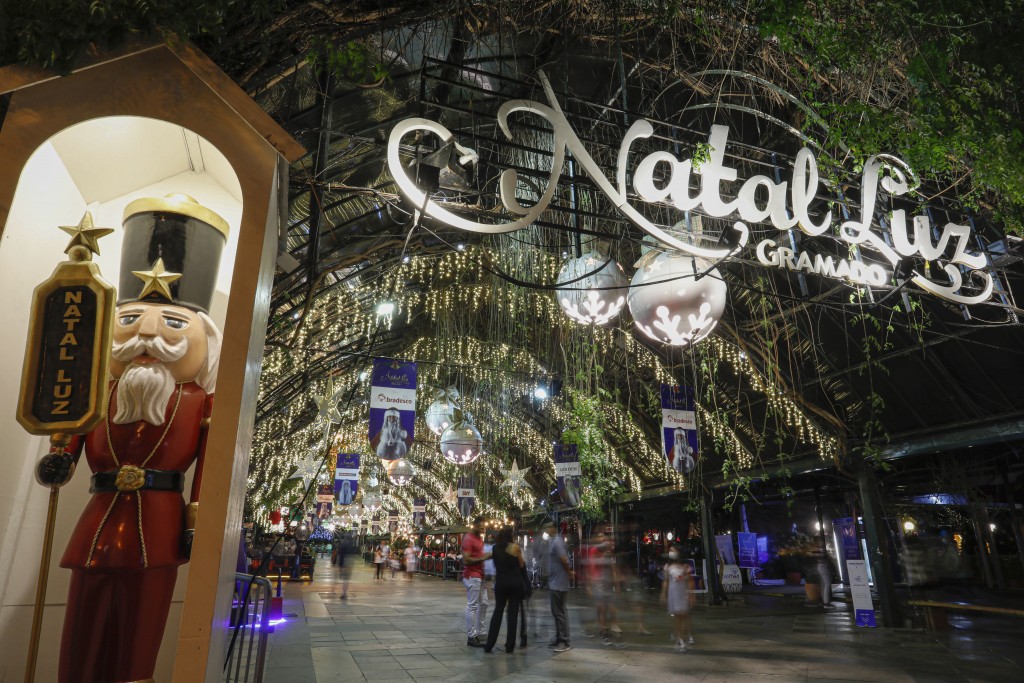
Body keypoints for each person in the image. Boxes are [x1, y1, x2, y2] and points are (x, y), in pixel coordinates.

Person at [32, 194, 226, 683]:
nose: (148, 335)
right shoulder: (96, 391)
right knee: (83, 619)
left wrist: (194, 520)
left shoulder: (202, 402)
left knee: (143, 624)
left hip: (159, 520)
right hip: (99, 516)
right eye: (130, 320)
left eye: (175, 324)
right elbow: (70, 432)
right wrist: (60, 455)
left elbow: (206, 468)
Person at [483, 527, 526, 654]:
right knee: (512, 614)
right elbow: (521, 565)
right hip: (514, 583)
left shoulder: (495, 548)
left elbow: (489, 557)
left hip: (501, 584)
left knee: (498, 612)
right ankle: (509, 646)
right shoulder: (515, 548)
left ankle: (489, 644)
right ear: (511, 536)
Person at [541, 519, 574, 652]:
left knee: (560, 612)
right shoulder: (553, 541)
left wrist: (569, 572)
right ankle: (559, 637)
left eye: (548, 527)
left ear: (554, 528)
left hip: (559, 582)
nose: (546, 530)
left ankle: (564, 641)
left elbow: (564, 559)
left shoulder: (558, 541)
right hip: (555, 581)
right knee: (556, 612)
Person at [461, 516, 492, 647]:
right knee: (472, 605)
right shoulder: (468, 539)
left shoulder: (479, 538)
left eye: (484, 527)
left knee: (484, 603)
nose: (483, 529)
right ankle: (471, 636)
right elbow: (466, 560)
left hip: (480, 576)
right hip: (472, 575)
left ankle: (481, 633)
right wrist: (484, 558)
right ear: (474, 526)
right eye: (481, 527)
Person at [661, 546, 696, 652]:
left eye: (673, 550)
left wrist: (691, 595)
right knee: (677, 617)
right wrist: (663, 593)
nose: (671, 552)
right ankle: (680, 639)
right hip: (673, 595)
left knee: (683, 616)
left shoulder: (685, 567)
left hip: (683, 594)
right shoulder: (668, 567)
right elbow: (666, 581)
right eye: (670, 551)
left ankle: (684, 636)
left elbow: (690, 581)